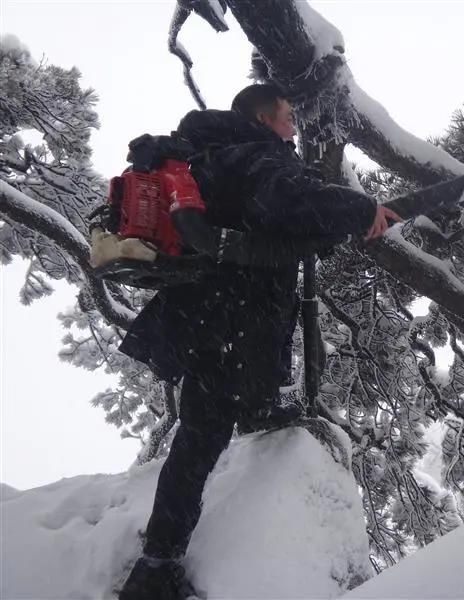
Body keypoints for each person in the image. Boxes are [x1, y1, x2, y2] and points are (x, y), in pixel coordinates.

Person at [118, 84, 401, 600]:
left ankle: (257, 410)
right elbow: (285, 200)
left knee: (216, 411)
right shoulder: (255, 153)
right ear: (264, 117)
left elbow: (263, 224)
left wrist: (319, 233)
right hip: (233, 314)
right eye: (288, 117)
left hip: (211, 310)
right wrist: (358, 211)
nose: (294, 127)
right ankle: (156, 566)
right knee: (201, 435)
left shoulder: (213, 152)